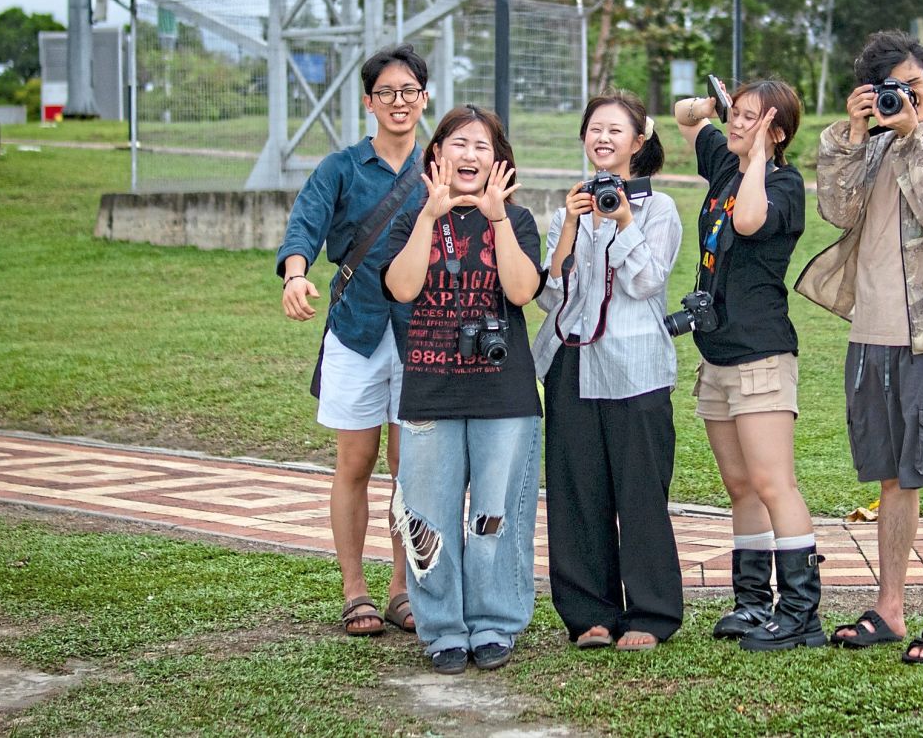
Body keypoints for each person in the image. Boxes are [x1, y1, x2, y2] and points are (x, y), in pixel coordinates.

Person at [795, 29, 923, 664]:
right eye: (889, 88)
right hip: (869, 333)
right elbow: (837, 211)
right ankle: (890, 608)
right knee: (890, 478)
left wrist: (910, 134)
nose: (905, 95)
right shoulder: (869, 140)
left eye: (913, 82)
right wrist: (853, 139)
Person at [381, 104, 543, 676]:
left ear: (499, 161)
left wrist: (497, 220)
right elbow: (401, 289)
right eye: (458, 143)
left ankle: (495, 623)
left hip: (505, 396)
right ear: (437, 155)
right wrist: (428, 216)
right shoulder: (413, 218)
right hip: (431, 390)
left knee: (497, 515)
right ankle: (443, 628)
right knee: (429, 516)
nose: (469, 155)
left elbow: (522, 292)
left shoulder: (517, 221)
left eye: (482, 146)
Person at [277, 44, 428, 637]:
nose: (398, 102)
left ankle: (402, 588)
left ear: (423, 97)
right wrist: (295, 274)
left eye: (408, 91)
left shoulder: (439, 165)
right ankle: (354, 589)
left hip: (422, 333)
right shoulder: (340, 167)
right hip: (356, 328)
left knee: (410, 465)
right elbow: (305, 224)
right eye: (386, 92)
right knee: (356, 461)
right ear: (369, 102)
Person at [673, 79, 825, 651]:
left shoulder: (783, 184)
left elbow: (747, 222)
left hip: (761, 356)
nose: (735, 125)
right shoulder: (724, 162)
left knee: (772, 482)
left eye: (750, 118)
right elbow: (686, 118)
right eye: (735, 115)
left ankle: (801, 614)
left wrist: (759, 153)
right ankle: (753, 604)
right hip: (716, 356)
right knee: (740, 485)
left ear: (777, 131)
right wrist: (713, 106)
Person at [532, 90, 684, 653]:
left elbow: (647, 283)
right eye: (596, 128)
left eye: (616, 130)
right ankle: (588, 614)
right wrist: (572, 229)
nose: (603, 139)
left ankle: (651, 612)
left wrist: (622, 222)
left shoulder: (659, 209)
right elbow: (549, 297)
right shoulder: (564, 212)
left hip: (636, 367)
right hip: (570, 361)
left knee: (640, 491)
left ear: (638, 142)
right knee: (576, 491)